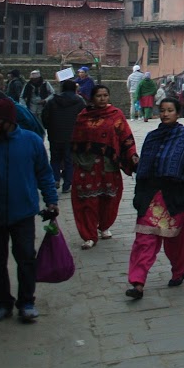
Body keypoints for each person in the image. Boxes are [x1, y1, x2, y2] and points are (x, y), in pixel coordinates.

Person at [0, 97, 58, 324]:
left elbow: (44, 173)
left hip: (23, 212)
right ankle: (2, 302)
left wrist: (51, 200)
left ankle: (26, 302)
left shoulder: (31, 141)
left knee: (25, 258)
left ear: (8, 120)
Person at [125, 97, 184, 300]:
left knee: (178, 242)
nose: (165, 114)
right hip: (152, 198)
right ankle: (137, 282)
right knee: (144, 240)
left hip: (176, 199)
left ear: (178, 113)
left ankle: (178, 271)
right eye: (162, 110)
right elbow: (144, 170)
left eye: (170, 110)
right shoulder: (151, 137)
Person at [71, 84, 139, 249]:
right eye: (98, 96)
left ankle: (104, 226)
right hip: (87, 166)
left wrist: (133, 156)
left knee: (109, 197)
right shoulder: (83, 117)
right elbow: (75, 141)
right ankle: (88, 234)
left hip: (108, 165)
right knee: (87, 199)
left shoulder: (116, 115)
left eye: (105, 95)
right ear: (92, 98)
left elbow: (126, 137)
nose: (102, 98)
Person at [43, 79, 86, 194]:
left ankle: (55, 179)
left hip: (55, 134)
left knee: (55, 158)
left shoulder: (52, 100)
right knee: (69, 160)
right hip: (72, 135)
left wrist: (49, 127)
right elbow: (85, 118)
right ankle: (67, 183)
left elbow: (45, 116)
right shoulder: (79, 101)